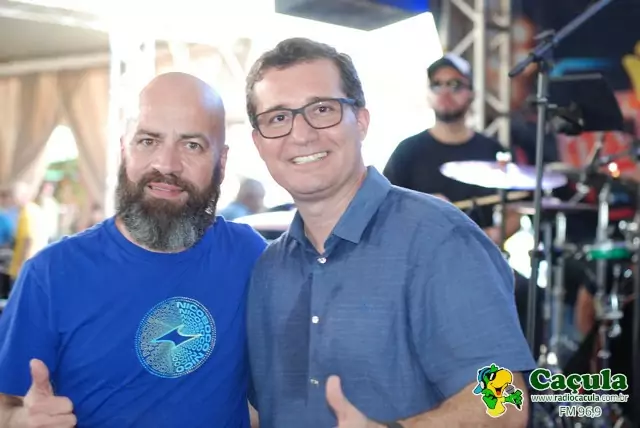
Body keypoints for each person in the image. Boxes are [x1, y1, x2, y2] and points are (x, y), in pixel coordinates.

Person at [245, 37, 535, 428]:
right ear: (258, 142)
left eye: (322, 109)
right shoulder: (267, 271)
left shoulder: (441, 240)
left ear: (361, 121)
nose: (301, 134)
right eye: (278, 118)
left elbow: (504, 403)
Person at [0, 72, 266, 427]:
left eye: (192, 145)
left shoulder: (249, 257)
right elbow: (6, 407)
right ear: (125, 149)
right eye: (148, 141)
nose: (166, 164)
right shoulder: (51, 274)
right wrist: (22, 420)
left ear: (221, 161)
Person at [381, 54, 543, 356]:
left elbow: (514, 213)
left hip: (480, 260)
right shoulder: (408, 151)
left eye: (455, 84)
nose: (445, 91)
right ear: (428, 94)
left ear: (471, 94)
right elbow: (385, 212)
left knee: (527, 293)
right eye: (437, 84)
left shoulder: (492, 150)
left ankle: (516, 377)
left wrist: (495, 234)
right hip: (422, 264)